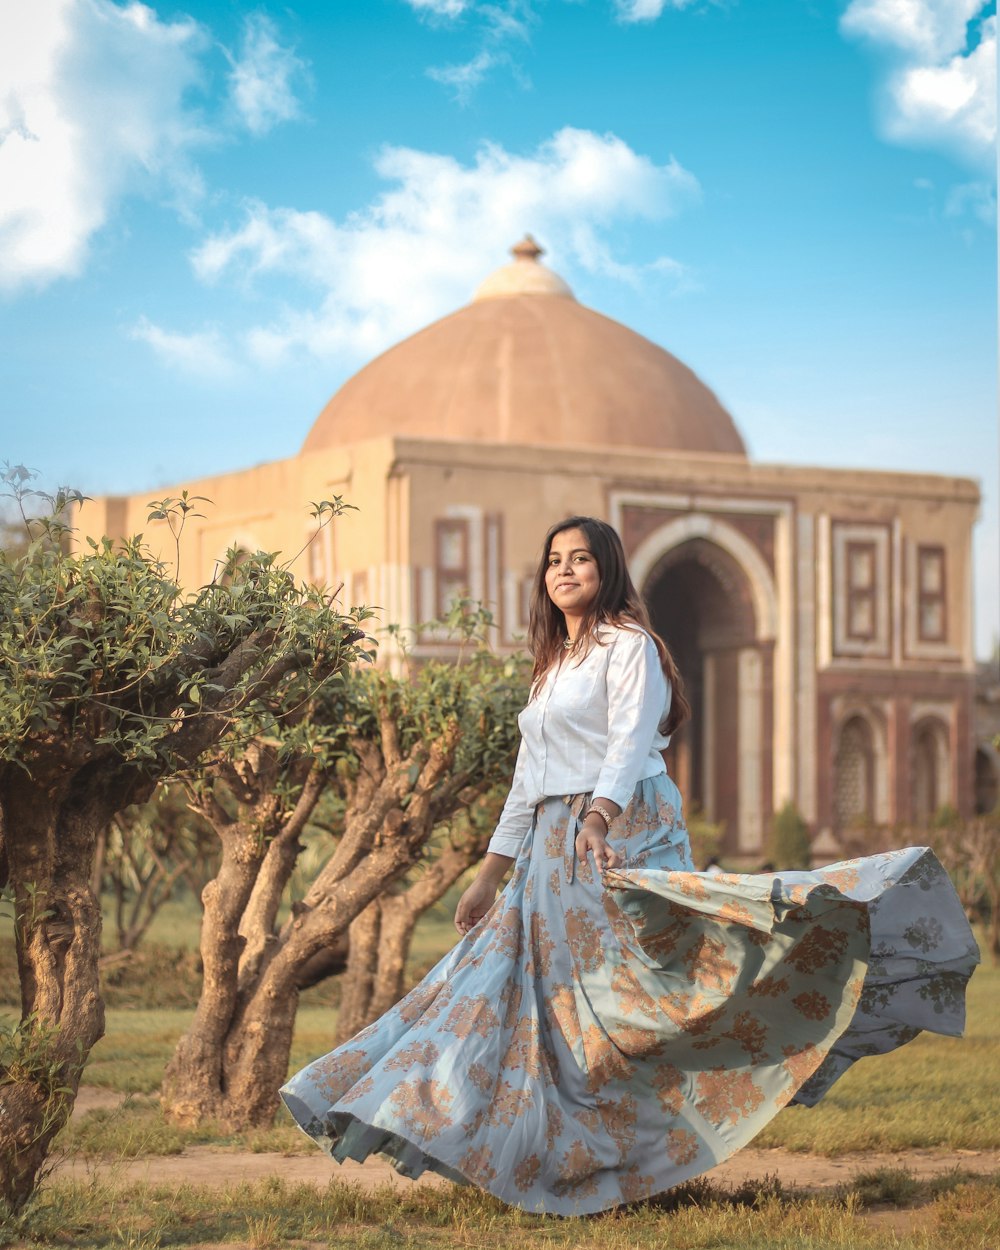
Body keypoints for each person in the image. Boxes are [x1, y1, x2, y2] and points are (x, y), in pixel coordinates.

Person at [281, 516, 979, 1216]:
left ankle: (826, 948)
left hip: (620, 828)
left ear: (607, 569)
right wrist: (491, 872)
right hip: (553, 848)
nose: (565, 570)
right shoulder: (552, 665)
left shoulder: (629, 646)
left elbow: (629, 739)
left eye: (581, 559)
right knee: (544, 1003)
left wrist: (597, 816)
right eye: (554, 560)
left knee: (640, 994)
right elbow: (529, 780)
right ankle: (564, 1150)